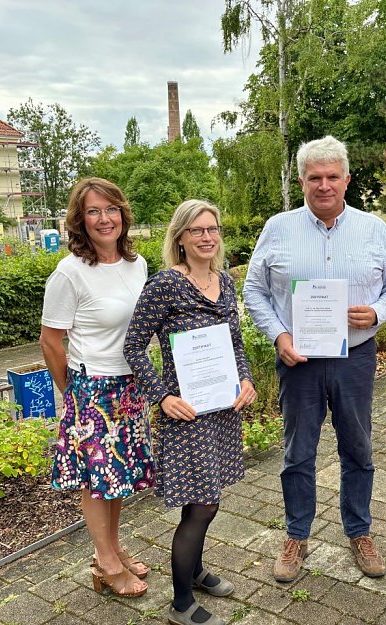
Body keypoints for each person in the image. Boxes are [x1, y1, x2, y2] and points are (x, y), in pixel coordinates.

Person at [244, 135, 386, 582]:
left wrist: (376, 311)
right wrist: (278, 335)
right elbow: (253, 290)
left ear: (346, 179)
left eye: (332, 176)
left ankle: (359, 530)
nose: (323, 185)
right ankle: (297, 535)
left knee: (358, 448)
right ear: (302, 181)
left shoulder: (373, 229)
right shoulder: (278, 228)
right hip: (299, 361)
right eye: (314, 177)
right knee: (298, 452)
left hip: (355, 357)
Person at [124, 200, 256, 625]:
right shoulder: (164, 284)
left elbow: (234, 342)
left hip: (222, 410)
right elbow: (133, 346)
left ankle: (195, 572)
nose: (206, 236)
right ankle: (181, 604)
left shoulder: (226, 281)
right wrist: (161, 396)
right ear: (180, 237)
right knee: (202, 505)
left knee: (207, 501)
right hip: (186, 414)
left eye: (212, 228)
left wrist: (247, 380)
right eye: (196, 230)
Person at [40, 177, 155, 598]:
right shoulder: (70, 272)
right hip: (92, 390)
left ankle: (114, 549)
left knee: (118, 475)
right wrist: (70, 390)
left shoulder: (136, 264)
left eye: (111, 210)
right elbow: (50, 340)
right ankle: (105, 562)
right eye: (93, 211)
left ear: (123, 214)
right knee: (96, 479)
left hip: (130, 386)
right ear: (80, 220)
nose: (104, 219)